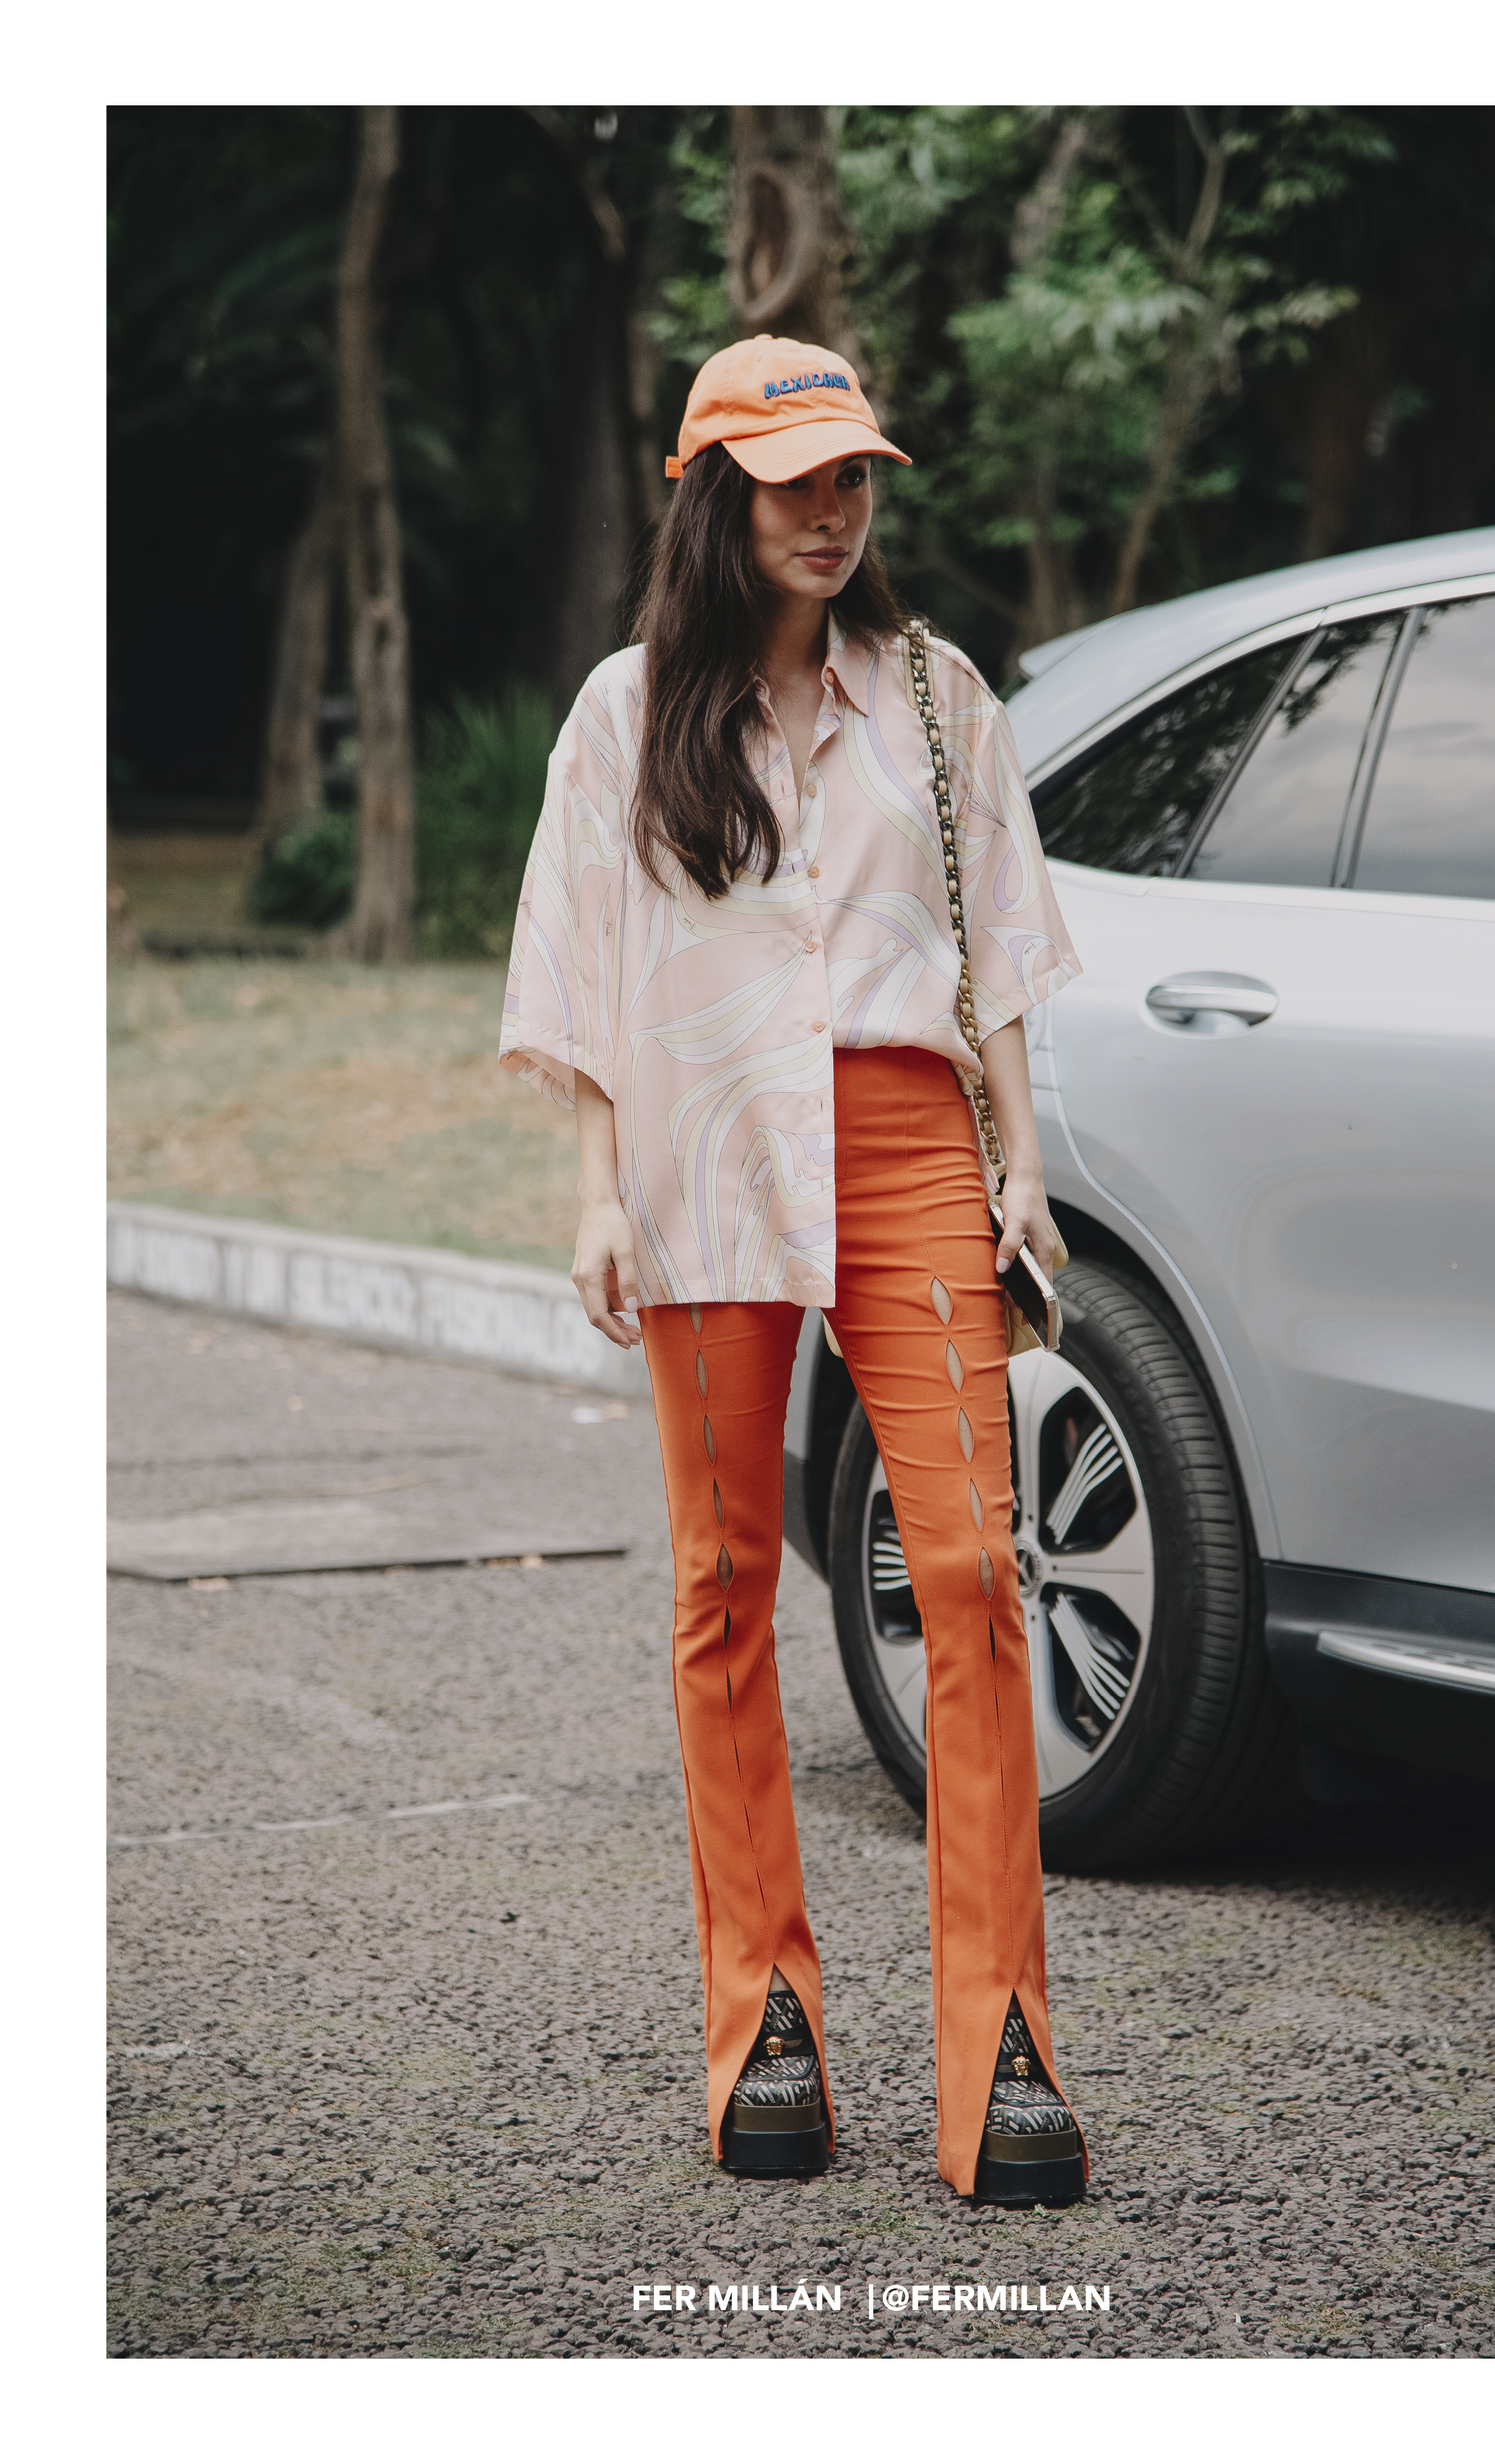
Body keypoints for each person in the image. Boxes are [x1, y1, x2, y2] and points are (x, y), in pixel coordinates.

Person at [499, 334, 1087, 2206]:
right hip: (705, 1146)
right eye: (792, 482)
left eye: (852, 478)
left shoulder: (937, 693)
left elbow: (999, 945)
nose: (831, 512)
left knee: (974, 1570)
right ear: (712, 497)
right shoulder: (626, 711)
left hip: (911, 1140)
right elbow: (590, 964)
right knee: (724, 1579)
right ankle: (764, 2018)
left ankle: (1003, 2047)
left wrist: (1024, 1163)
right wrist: (599, 1189)